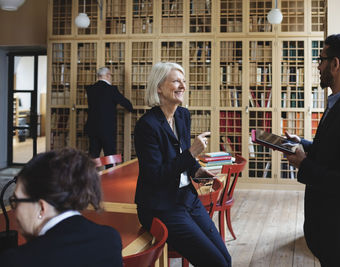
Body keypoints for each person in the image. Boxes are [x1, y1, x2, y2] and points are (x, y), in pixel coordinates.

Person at [134, 62, 231, 267]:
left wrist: (198, 170)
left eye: (184, 81)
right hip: (161, 206)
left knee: (226, 259)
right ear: (159, 87)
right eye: (176, 81)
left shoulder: (182, 115)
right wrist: (191, 153)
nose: (183, 87)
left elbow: (183, 161)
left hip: (187, 198)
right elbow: (155, 175)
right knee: (217, 264)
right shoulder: (147, 125)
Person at [284, 34, 340, 267]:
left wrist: (304, 164)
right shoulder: (339, 101)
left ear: (335, 64)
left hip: (337, 229)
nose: (317, 64)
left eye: (321, 59)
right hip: (326, 228)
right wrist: (302, 143)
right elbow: (330, 151)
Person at [0, 148, 123, 267]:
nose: (15, 213)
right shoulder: (110, 239)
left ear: (42, 207)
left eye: (16, 201)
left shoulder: (16, 260)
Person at [85, 67, 134, 158]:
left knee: (93, 156)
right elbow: (126, 103)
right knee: (109, 156)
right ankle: (110, 172)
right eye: (111, 75)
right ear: (107, 75)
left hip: (92, 127)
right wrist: (131, 108)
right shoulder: (111, 89)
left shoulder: (90, 89)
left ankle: (90, 172)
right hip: (107, 128)